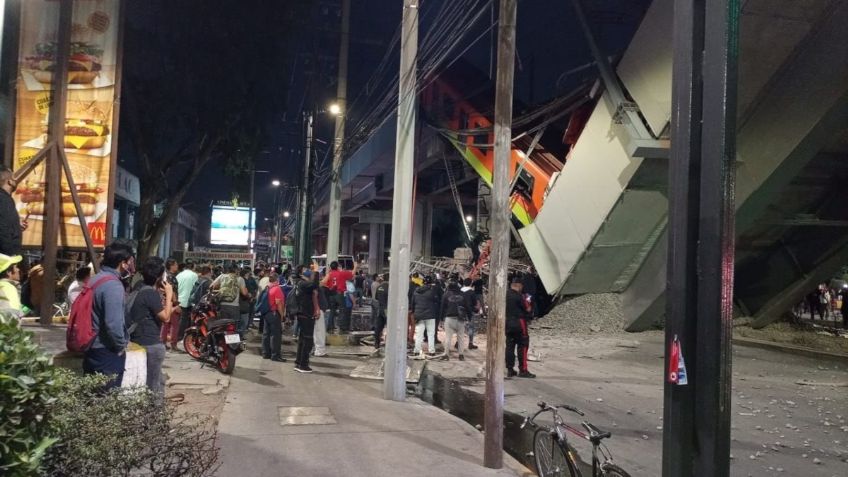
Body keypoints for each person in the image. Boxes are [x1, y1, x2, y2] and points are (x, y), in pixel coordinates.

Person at [84, 242, 135, 390]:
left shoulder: (95, 279)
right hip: (105, 351)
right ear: (123, 263)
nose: (131, 265)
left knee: (92, 397)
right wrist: (121, 346)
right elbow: (113, 323)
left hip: (91, 348)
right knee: (106, 398)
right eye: (130, 261)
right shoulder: (113, 285)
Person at [128, 257, 173, 404]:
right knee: (154, 385)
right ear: (160, 277)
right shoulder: (150, 293)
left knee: (154, 380)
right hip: (150, 343)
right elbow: (166, 317)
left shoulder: (139, 288)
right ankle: (154, 417)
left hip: (138, 340)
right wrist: (169, 295)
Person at [506, 275, 535, 378]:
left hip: (507, 322)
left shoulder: (505, 294)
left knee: (509, 346)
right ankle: (523, 370)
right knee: (523, 345)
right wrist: (529, 301)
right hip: (519, 323)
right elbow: (528, 309)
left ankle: (510, 369)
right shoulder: (520, 296)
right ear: (518, 286)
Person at [293, 266, 320, 373]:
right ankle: (303, 364)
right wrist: (316, 272)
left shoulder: (299, 283)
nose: (308, 270)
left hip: (302, 313)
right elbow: (315, 284)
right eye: (305, 270)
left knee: (302, 339)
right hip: (306, 314)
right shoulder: (303, 283)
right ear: (301, 273)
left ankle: (299, 362)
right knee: (308, 339)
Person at [321, 260, 357, 333]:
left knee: (332, 310)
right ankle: (342, 327)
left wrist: (329, 287)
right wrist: (355, 266)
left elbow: (323, 282)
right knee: (342, 310)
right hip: (340, 293)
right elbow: (352, 274)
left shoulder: (329, 274)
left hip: (331, 294)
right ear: (337, 267)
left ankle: (330, 327)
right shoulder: (342, 273)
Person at [440, 279, 470, 361]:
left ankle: (446, 354)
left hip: (449, 319)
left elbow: (442, 307)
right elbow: (467, 307)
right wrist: (469, 317)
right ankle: (461, 355)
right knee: (460, 337)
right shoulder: (463, 295)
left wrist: (441, 318)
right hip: (460, 319)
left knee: (448, 338)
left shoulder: (446, 295)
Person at [411, 275, 439, 359]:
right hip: (430, 315)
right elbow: (436, 301)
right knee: (431, 334)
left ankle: (416, 351)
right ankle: (431, 351)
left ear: (423, 282)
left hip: (419, 315)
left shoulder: (416, 291)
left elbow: (413, 303)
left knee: (419, 334)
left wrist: (414, 312)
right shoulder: (432, 291)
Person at [0, 168, 26, 256]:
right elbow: (3, 229)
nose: (16, 180)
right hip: (5, 257)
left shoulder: (5, 198)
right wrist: (11, 255)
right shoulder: (4, 199)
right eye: (14, 178)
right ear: (9, 182)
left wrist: (16, 225)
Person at [262, 272, 286, 362]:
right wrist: (282, 315)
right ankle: (275, 355)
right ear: (277, 279)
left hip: (266, 313)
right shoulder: (277, 289)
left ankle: (265, 353)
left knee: (266, 334)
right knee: (275, 335)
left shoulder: (267, 288)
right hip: (274, 313)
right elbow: (278, 303)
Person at [159, 258, 181, 351]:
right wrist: (176, 304)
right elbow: (172, 291)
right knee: (174, 324)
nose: (177, 266)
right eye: (176, 264)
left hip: (165, 301)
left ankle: (163, 342)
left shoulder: (164, 275)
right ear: (171, 266)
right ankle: (173, 344)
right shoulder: (171, 276)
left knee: (165, 323)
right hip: (171, 302)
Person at [175, 261, 198, 342]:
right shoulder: (194, 275)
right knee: (185, 320)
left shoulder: (179, 275)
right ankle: (181, 337)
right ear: (193, 267)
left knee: (179, 320)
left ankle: (177, 336)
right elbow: (196, 288)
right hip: (187, 300)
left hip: (178, 300)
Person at [0, 253, 23, 318]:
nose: (18, 270)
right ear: (8, 272)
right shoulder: (8, 288)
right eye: (16, 267)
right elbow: (11, 315)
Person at [460, 278, 479, 350]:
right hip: (470, 311)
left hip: (461, 311)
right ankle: (470, 343)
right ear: (471, 283)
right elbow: (474, 303)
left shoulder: (460, 291)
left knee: (461, 327)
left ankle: (458, 342)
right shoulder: (471, 292)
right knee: (471, 327)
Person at [313, 271, 329, 357]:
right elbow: (315, 298)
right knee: (319, 331)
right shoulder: (315, 287)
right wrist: (318, 309)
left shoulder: (314, 286)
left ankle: (317, 349)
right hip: (318, 311)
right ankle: (319, 351)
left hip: (317, 310)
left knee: (316, 332)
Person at [372, 276, 389, 352]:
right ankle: (389, 344)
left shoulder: (379, 287)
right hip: (388, 309)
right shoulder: (391, 287)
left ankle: (376, 343)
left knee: (378, 327)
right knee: (391, 327)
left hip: (380, 309)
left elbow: (376, 298)